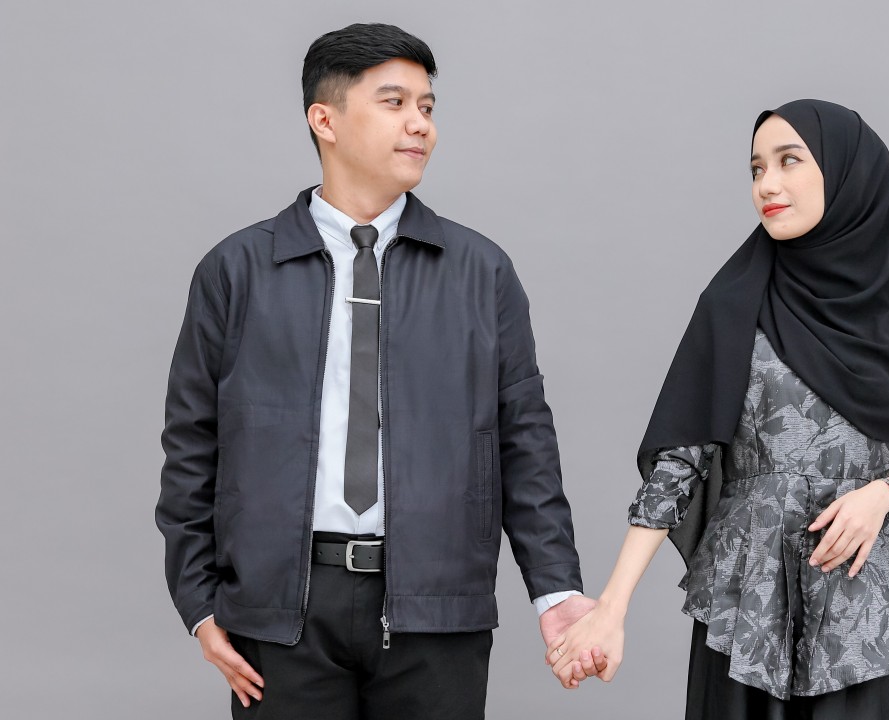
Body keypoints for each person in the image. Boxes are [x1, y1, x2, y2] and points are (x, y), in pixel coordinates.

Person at [156, 22, 597, 719]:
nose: (420, 124)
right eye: (394, 103)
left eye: (427, 107)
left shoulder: (480, 272)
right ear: (324, 119)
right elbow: (192, 447)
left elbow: (525, 444)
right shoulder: (236, 271)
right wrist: (200, 605)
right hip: (279, 613)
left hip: (436, 610)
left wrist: (556, 589)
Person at [546, 99, 889, 719]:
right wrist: (612, 606)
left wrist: (884, 494)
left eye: (789, 161)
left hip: (867, 607)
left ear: (847, 174)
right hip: (748, 606)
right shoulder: (733, 302)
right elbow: (677, 466)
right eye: (756, 168)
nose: (766, 184)